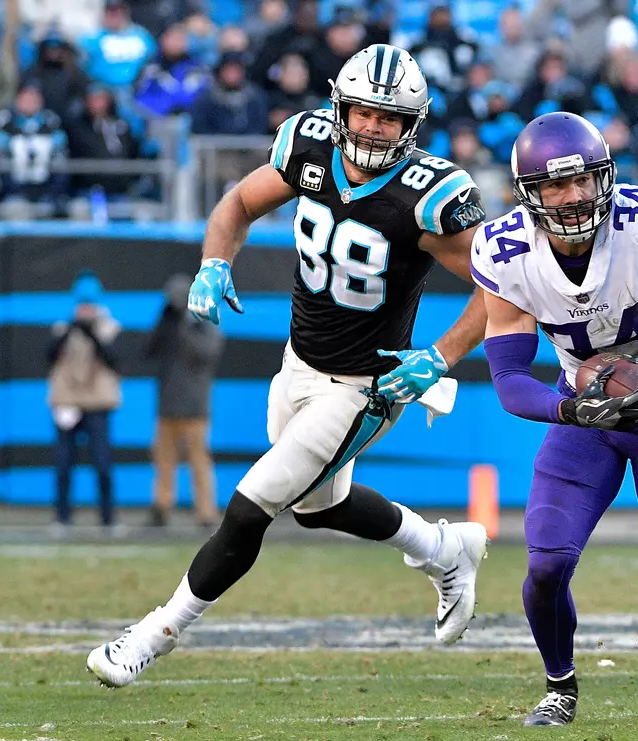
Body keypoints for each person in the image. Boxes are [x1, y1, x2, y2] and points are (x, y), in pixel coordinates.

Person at [87, 43, 491, 688]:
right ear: (340, 107)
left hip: (369, 385)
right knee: (318, 507)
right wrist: (214, 264)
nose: (371, 127)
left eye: (388, 118)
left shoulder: (428, 195)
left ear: (410, 125)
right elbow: (237, 205)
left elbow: (500, 285)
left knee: (251, 506)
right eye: (362, 111)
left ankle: (153, 634)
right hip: (299, 363)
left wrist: (438, 358)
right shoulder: (307, 147)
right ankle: (445, 549)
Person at [470, 112, 638, 726]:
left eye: (582, 181)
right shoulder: (506, 253)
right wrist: (572, 409)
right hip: (583, 420)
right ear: (528, 195)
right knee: (545, 562)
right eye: (554, 186)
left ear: (604, 178)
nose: (572, 197)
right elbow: (511, 380)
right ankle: (559, 686)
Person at [146, 274, 224, 528]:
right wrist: (164, 320)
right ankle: (161, 507)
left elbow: (208, 354)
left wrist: (185, 327)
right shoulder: (168, 323)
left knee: (199, 462)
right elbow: (149, 350)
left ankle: (206, 512)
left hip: (193, 407)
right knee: (163, 461)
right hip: (168, 404)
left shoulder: (204, 323)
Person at [46, 271, 122, 529]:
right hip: (67, 402)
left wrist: (92, 335)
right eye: (82, 304)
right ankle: (62, 516)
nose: (86, 310)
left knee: (102, 462)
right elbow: (48, 357)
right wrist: (71, 331)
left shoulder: (109, 328)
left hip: (97, 405)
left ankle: (108, 517)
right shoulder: (63, 328)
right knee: (64, 462)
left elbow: (114, 360)